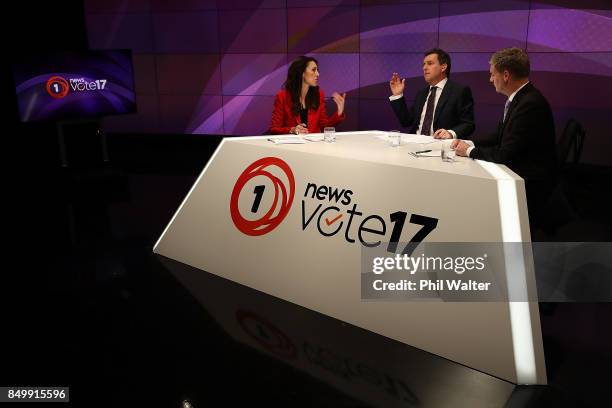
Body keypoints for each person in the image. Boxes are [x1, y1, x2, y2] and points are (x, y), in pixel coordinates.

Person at [452, 47, 557, 228]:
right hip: (524, 172)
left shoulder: (529, 104)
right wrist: (470, 143)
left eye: (493, 74)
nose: (490, 79)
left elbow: (505, 155)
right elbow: (500, 136)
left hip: (529, 184)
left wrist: (469, 151)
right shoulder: (522, 98)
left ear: (506, 75)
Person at [389, 48, 475, 139]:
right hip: (416, 143)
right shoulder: (422, 93)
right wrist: (397, 95)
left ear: (443, 67)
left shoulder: (459, 91)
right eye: (424, 64)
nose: (424, 68)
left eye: (430, 63)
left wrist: (450, 133)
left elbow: (468, 124)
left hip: (440, 145)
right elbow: (406, 121)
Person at [270, 56, 346, 135]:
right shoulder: (282, 96)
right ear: (302, 72)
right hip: (292, 145)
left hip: (313, 145)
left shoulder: (319, 94)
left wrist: (339, 113)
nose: (317, 74)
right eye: (313, 70)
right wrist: (292, 130)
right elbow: (274, 129)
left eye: (317, 70)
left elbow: (324, 127)